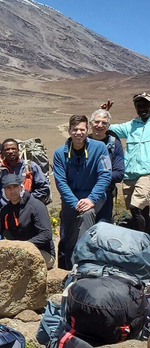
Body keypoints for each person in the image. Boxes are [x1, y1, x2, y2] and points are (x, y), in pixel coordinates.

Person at [53, 114, 112, 269]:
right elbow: (60, 181)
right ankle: (70, 271)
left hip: (94, 196)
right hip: (71, 199)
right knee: (69, 237)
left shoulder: (100, 149)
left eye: (82, 129)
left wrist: (91, 199)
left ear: (87, 130)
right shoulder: (60, 153)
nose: (78, 133)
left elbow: (105, 175)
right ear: (69, 130)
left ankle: (84, 266)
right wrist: (74, 203)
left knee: (86, 215)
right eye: (75, 130)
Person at [0, 174, 55, 267]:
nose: (12, 191)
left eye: (15, 187)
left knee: (17, 260)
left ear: (20, 188)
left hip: (40, 253)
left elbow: (46, 234)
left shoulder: (36, 206)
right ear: (4, 191)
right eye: (8, 188)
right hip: (15, 252)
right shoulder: (4, 211)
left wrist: (23, 246)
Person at [104, 94, 150, 233]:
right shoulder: (131, 125)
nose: (142, 108)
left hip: (147, 174)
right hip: (129, 175)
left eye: (145, 105)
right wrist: (106, 114)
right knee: (140, 211)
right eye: (139, 106)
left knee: (136, 207)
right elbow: (106, 128)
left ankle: (140, 242)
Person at [87, 109, 126, 224]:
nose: (100, 125)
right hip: (82, 193)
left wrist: (94, 176)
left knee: (102, 228)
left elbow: (119, 174)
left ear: (109, 126)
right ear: (91, 124)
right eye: (97, 122)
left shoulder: (114, 144)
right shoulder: (81, 142)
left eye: (104, 123)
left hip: (105, 195)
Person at [0, 138, 51, 212]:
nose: (10, 151)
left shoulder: (30, 166)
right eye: (7, 149)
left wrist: (26, 199)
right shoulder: (0, 171)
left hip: (28, 210)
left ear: (18, 150)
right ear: (2, 152)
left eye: (13, 149)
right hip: (7, 212)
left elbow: (44, 188)